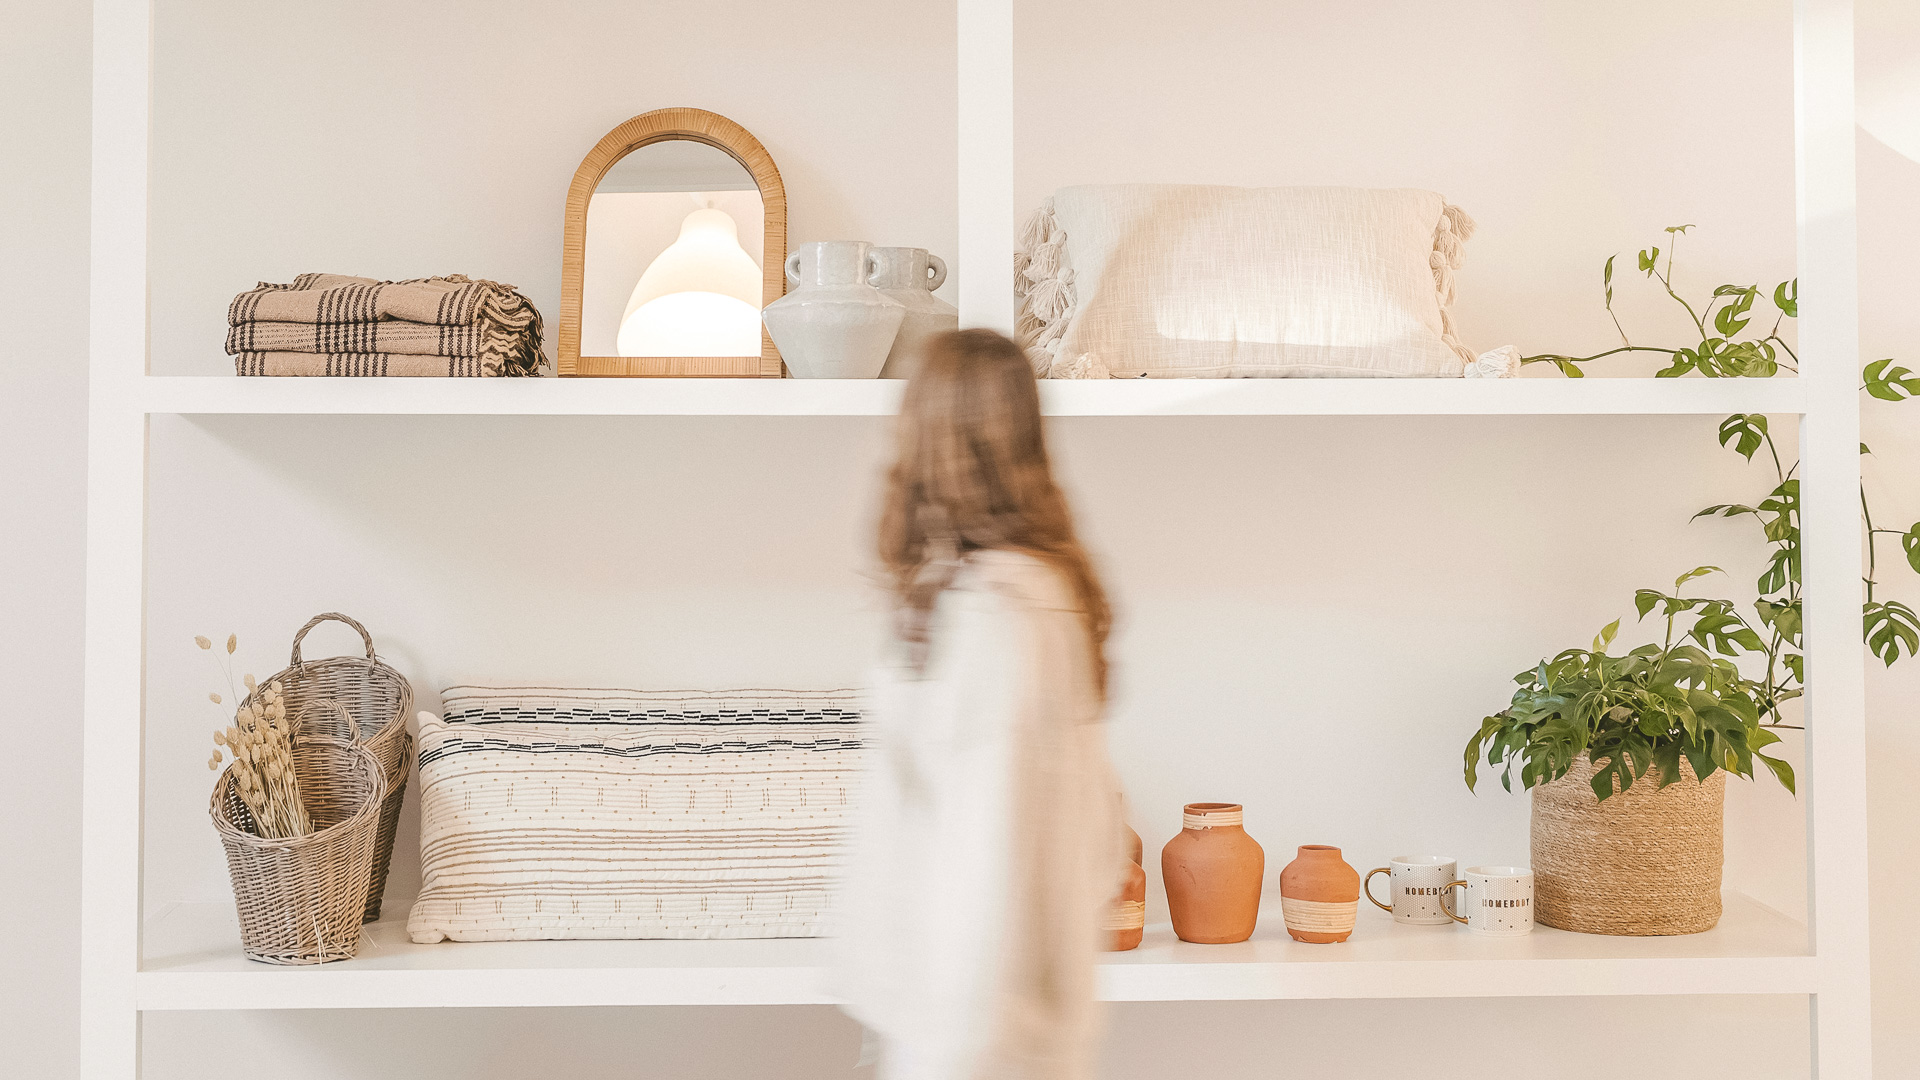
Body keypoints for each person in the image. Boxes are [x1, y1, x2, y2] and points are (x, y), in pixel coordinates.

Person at [837, 328, 1127, 1080]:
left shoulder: (990, 621)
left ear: (927, 433)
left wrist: (948, 1049)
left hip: (968, 1040)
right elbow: (1095, 840)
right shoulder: (1043, 599)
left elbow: (981, 853)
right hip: (1010, 1030)